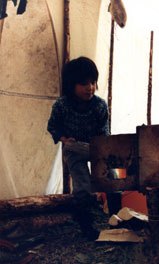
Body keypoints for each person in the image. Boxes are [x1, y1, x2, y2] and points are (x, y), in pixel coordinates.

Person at [47, 56, 109, 240]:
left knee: (115, 180)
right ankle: (86, 224)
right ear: (71, 85)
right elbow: (52, 127)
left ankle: (118, 218)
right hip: (74, 149)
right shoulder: (61, 106)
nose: (89, 87)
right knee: (83, 188)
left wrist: (102, 151)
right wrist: (65, 139)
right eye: (83, 83)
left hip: (97, 148)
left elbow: (105, 132)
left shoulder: (99, 106)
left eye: (92, 82)